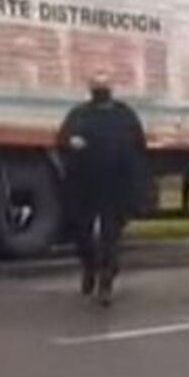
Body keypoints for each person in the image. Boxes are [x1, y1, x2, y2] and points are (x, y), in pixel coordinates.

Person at [57, 69, 147, 306]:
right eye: (96, 85)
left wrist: (136, 183)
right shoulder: (79, 115)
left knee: (110, 236)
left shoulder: (124, 115)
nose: (100, 90)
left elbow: (138, 148)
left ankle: (106, 281)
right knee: (82, 232)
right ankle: (89, 266)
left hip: (115, 186)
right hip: (84, 184)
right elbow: (62, 139)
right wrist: (71, 143)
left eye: (104, 85)